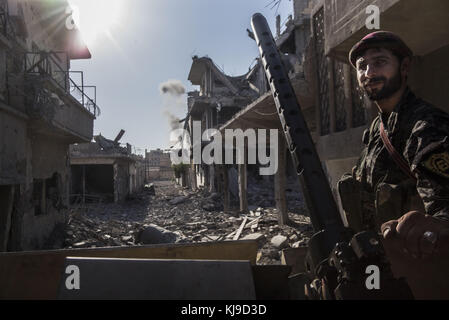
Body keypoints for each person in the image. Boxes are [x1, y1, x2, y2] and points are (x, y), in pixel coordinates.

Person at [339, 31, 449, 260]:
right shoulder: (375, 132)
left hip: (417, 273)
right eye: (362, 66)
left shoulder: (426, 125)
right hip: (376, 267)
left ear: (404, 67)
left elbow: (443, 210)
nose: (369, 73)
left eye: (379, 62)